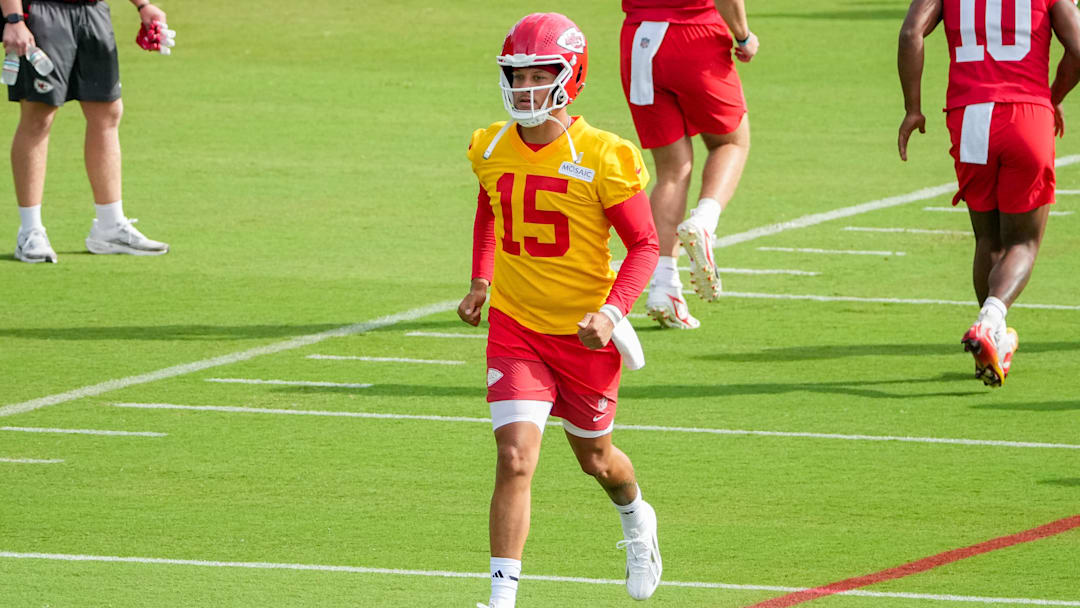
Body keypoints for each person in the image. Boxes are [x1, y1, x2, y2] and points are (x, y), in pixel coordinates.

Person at [458, 13, 663, 607]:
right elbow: (490, 210)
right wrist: (480, 280)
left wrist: (613, 311)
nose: (525, 89)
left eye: (539, 75)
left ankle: (635, 517)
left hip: (585, 337)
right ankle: (501, 601)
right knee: (515, 456)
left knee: (596, 459)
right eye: (516, 76)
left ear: (571, 77)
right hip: (517, 328)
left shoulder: (603, 155)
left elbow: (646, 244)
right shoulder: (491, 145)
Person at [898, 0, 1080, 386]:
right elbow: (1078, 47)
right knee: (1024, 243)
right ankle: (991, 320)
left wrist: (913, 109)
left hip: (970, 117)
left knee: (987, 239)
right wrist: (1055, 96)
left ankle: (993, 340)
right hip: (1026, 111)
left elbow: (912, 31)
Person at [620, 0, 759, 329]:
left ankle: (664, 286)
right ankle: (705, 220)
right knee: (730, 141)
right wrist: (742, 36)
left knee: (671, 170)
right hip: (693, 35)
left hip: (637, 41)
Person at [2, 0, 170, 264]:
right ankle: (30, 232)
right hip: (44, 11)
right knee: (38, 116)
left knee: (107, 110)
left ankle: (110, 226)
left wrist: (143, 5)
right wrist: (14, 20)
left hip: (92, 11)